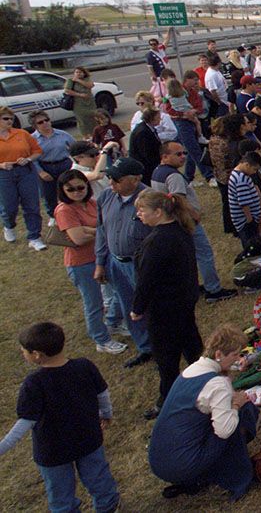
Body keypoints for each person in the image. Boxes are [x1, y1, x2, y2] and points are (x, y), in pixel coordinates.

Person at [0, 322, 120, 513]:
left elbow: (25, 422)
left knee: (60, 495)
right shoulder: (84, 366)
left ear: (37, 354)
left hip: (53, 451)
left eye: (24, 350)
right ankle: (107, 507)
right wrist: (106, 414)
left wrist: (2, 447)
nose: (22, 353)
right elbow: (102, 394)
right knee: (99, 480)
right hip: (88, 439)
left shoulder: (34, 383)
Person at [148, 324, 258, 501]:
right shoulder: (217, 384)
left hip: (161, 461)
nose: (238, 359)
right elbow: (225, 430)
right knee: (242, 413)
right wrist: (236, 405)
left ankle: (199, 474)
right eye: (234, 355)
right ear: (219, 355)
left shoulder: (192, 370)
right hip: (184, 464)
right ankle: (237, 476)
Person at [131, 189, 202, 420]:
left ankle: (168, 400)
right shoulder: (180, 231)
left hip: (164, 308)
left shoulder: (158, 241)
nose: (139, 215)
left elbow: (147, 279)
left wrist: (137, 308)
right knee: (192, 346)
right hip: (183, 301)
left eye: (142, 210)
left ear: (158, 212)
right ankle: (206, 381)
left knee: (166, 357)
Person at [53, 170, 129, 355]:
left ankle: (113, 321)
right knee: (94, 303)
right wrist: (100, 231)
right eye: (70, 189)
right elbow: (77, 238)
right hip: (81, 263)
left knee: (122, 291)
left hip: (103, 257)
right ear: (63, 190)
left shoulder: (93, 203)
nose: (77, 191)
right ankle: (101, 339)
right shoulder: (64, 210)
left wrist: (89, 230)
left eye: (81, 187)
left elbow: (106, 224)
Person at [152, 142, 236, 303]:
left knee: (187, 257)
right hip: (186, 221)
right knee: (204, 254)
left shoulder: (157, 172)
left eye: (184, 153)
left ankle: (194, 286)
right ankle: (214, 290)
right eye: (178, 154)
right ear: (165, 156)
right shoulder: (173, 176)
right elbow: (179, 198)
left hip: (172, 221)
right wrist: (194, 214)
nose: (183, 157)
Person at [93, 158, 155, 369]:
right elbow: (101, 231)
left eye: (117, 179)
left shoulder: (150, 199)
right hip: (115, 263)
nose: (112, 182)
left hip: (142, 265)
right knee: (129, 306)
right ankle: (145, 347)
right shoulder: (106, 197)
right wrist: (100, 263)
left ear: (135, 179)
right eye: (110, 177)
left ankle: (164, 347)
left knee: (152, 307)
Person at [0, 106, 46, 249]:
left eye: (11, 118)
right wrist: (1, 165)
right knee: (9, 206)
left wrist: (28, 159)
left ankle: (34, 237)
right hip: (4, 174)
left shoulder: (22, 133)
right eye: (6, 118)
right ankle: (9, 225)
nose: (10, 121)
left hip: (25, 171)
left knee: (31, 205)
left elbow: (38, 151)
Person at [30, 111, 77, 222]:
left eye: (47, 120)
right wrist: (40, 172)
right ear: (35, 126)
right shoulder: (32, 139)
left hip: (64, 164)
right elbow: (31, 158)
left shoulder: (62, 134)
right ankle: (53, 216)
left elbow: (75, 147)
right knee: (49, 194)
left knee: (69, 189)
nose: (45, 123)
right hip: (45, 166)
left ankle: (73, 211)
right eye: (40, 122)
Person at [228, 150, 261, 251]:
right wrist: (250, 220)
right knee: (251, 245)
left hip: (245, 219)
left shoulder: (238, 173)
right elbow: (244, 203)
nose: (255, 172)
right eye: (254, 169)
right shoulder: (241, 180)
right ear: (247, 164)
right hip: (245, 221)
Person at [129, 108, 163, 185]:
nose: (160, 119)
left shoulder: (148, 128)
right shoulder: (143, 132)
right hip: (145, 169)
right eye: (158, 117)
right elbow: (147, 153)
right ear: (152, 118)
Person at [63, 67, 97, 138]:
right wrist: (79, 94)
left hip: (89, 103)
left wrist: (78, 80)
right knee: (82, 120)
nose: (78, 74)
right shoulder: (70, 81)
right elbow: (67, 90)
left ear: (84, 73)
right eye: (76, 72)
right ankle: (86, 136)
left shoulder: (87, 79)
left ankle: (95, 133)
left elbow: (90, 85)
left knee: (93, 118)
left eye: (80, 72)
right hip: (78, 104)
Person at [146, 34, 171, 99]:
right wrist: (153, 75)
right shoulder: (150, 54)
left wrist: (169, 31)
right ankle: (162, 100)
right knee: (162, 90)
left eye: (154, 44)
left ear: (157, 44)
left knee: (170, 86)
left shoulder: (161, 49)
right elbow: (150, 67)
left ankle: (169, 97)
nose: (153, 46)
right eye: (151, 44)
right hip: (159, 75)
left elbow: (166, 41)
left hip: (167, 72)